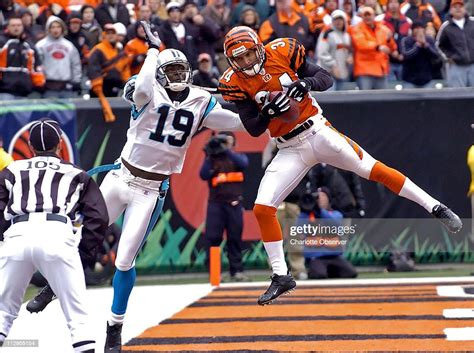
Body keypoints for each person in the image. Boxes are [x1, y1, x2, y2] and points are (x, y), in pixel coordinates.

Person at [218, 25, 462, 305]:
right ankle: (281, 275)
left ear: (259, 48)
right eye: (240, 59)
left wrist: (306, 84)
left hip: (318, 132)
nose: (247, 62)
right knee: (262, 208)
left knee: (374, 170)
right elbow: (252, 128)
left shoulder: (283, 51)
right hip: (288, 148)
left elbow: (326, 77)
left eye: (250, 54)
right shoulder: (233, 82)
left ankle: (435, 206)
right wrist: (268, 112)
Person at [103, 22, 244, 352]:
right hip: (121, 177)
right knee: (80, 233)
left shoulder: (201, 100)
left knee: (124, 261)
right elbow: (140, 89)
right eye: (171, 69)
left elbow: (238, 123)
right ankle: (52, 287)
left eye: (182, 68)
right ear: (159, 74)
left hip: (149, 190)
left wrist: (258, 106)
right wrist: (153, 49)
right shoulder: (144, 90)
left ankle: (114, 326)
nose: (178, 73)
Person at [0, 119, 108, 352]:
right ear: (60, 144)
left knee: (2, 314)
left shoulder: (12, 170)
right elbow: (98, 218)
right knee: (77, 318)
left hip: (18, 233)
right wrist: (84, 254)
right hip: (57, 235)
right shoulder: (76, 173)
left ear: (29, 146)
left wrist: (4, 240)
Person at [200, 132, 249, 281]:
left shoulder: (237, 157)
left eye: (226, 141)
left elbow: (243, 164)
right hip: (216, 204)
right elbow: (203, 175)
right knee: (213, 238)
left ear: (233, 144)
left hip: (234, 203)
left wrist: (226, 149)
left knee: (235, 238)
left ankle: (237, 272)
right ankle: (215, 273)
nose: (223, 144)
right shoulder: (212, 159)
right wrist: (209, 153)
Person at [299, 187, 358, 279]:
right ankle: (316, 270)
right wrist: (305, 210)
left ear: (328, 199)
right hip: (316, 258)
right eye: (317, 197)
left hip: (334, 257)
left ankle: (329, 271)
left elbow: (336, 224)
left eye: (322, 196)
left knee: (351, 273)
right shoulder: (306, 216)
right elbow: (299, 230)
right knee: (319, 275)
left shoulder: (336, 214)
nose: (320, 199)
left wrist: (320, 210)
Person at [87, 24, 131, 122]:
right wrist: (97, 85)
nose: (110, 36)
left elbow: (125, 68)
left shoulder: (120, 51)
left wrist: (127, 83)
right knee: (98, 118)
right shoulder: (98, 49)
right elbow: (93, 67)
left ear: (116, 36)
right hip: (101, 87)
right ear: (104, 35)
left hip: (116, 87)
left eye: (113, 33)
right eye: (108, 33)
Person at [350, 6, 398, 90]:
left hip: (381, 70)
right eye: (365, 15)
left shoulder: (383, 29)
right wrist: (378, 47)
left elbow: (392, 48)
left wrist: (389, 40)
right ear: (362, 17)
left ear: (374, 15)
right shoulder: (357, 29)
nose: (367, 17)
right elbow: (361, 44)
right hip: (365, 70)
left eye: (369, 15)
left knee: (382, 100)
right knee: (365, 99)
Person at [36, 16, 82, 98]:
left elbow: (75, 64)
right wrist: (39, 82)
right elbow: (38, 66)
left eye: (58, 27)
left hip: (66, 86)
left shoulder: (69, 46)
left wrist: (76, 81)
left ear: (62, 28)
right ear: (48, 29)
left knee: (67, 110)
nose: (56, 30)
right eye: (53, 27)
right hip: (48, 86)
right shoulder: (41, 45)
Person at [0, 17, 45, 100]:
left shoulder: (29, 45)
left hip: (24, 92)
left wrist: (39, 85)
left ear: (22, 27)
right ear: (8, 27)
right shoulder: (2, 43)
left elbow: (36, 67)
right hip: (4, 91)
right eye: (13, 25)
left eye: (19, 25)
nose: (16, 28)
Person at [436, 0, 474, 87]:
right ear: (451, 10)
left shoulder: (473, 22)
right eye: (455, 7)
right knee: (458, 94)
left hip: (473, 64)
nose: (458, 9)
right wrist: (448, 58)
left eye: (460, 6)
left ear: (464, 8)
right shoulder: (446, 26)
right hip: (456, 66)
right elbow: (439, 46)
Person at [316, 10, 353, 91]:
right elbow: (322, 53)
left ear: (344, 21)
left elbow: (350, 51)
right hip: (328, 73)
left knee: (342, 100)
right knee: (329, 99)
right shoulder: (327, 34)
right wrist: (333, 66)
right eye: (336, 19)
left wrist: (350, 57)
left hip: (342, 73)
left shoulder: (347, 36)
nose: (338, 22)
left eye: (341, 19)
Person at [401, 20, 440, 88]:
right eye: (416, 28)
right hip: (409, 78)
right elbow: (406, 55)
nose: (419, 30)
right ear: (412, 30)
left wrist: (426, 46)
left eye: (420, 28)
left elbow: (436, 55)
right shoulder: (406, 40)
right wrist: (417, 46)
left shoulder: (429, 39)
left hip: (427, 78)